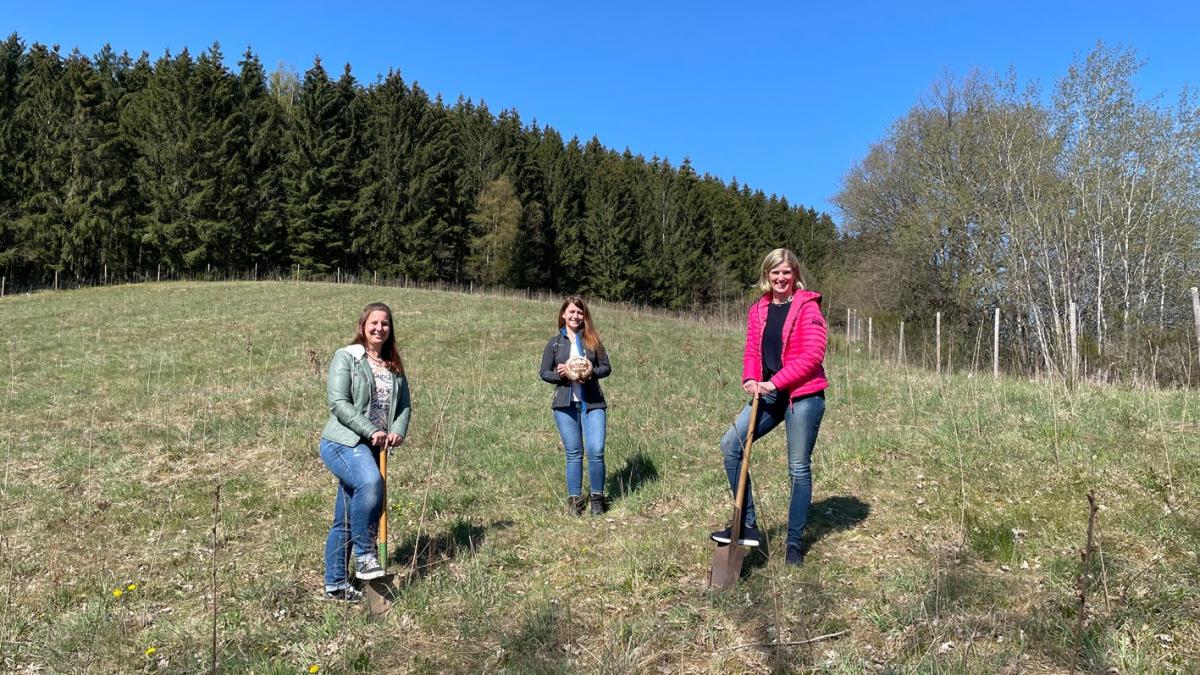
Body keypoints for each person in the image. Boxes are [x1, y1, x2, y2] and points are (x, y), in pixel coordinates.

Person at [711, 248, 828, 565]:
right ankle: (746, 524)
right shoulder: (759, 309)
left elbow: (812, 356)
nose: (780, 278)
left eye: (786, 272)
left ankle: (793, 544)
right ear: (766, 275)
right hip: (769, 393)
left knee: (798, 468)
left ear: (795, 275)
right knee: (731, 445)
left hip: (802, 396)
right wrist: (751, 378)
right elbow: (752, 351)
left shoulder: (808, 308)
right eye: (775, 272)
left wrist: (774, 383)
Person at [319, 302, 412, 601]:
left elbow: (404, 405)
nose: (379, 328)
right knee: (371, 484)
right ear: (363, 325)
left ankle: (335, 584)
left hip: (374, 447)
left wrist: (397, 430)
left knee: (346, 516)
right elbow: (338, 402)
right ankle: (365, 554)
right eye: (374, 322)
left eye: (385, 323)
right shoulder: (347, 357)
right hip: (343, 442)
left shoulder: (393, 364)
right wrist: (370, 429)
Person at [539, 295, 612, 516]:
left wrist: (590, 372)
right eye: (571, 312)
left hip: (593, 403)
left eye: (580, 312)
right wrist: (561, 376)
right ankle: (575, 502)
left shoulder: (593, 341)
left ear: (584, 316)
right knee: (574, 453)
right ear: (563, 314)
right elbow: (544, 372)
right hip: (565, 405)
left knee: (596, 451)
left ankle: (597, 500)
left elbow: (606, 368)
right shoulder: (554, 343)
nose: (575, 316)